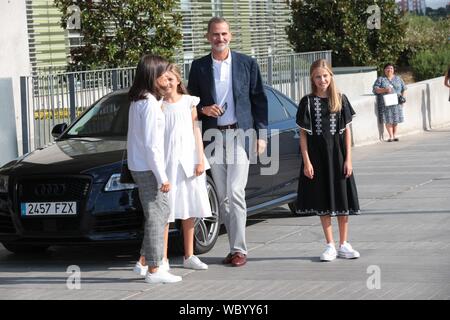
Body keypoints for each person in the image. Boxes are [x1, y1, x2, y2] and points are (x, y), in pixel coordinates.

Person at [187, 17, 268, 267]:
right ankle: (233, 250)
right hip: (212, 137)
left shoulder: (247, 64)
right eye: (215, 34)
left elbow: (259, 100)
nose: (219, 39)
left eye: (223, 34)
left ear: (230, 36)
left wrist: (261, 136)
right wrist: (203, 109)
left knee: (235, 192)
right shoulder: (198, 66)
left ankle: (239, 250)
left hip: (240, 135)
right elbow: (190, 102)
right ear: (207, 37)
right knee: (222, 196)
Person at [135, 63, 212, 271]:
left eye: (171, 79)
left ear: (178, 81)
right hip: (167, 163)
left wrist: (200, 158)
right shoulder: (157, 104)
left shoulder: (189, 102)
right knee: (164, 214)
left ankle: (189, 255)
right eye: (164, 79)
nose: (168, 83)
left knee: (189, 208)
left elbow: (196, 130)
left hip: (188, 161)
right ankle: (162, 258)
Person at [296, 59, 361, 262]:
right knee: (323, 199)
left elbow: (347, 133)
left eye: (325, 75)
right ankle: (330, 245)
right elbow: (303, 136)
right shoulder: (307, 102)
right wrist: (307, 161)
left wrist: (348, 159)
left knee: (342, 198)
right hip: (317, 158)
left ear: (331, 76)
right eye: (318, 76)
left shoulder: (341, 99)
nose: (322, 79)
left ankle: (344, 244)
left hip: (339, 156)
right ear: (312, 79)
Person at [127, 54, 181, 283]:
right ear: (152, 76)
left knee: (156, 215)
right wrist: (163, 177)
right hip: (149, 169)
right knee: (158, 216)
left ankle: (144, 263)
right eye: (162, 75)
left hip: (141, 166)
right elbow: (152, 146)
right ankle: (154, 269)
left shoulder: (141, 100)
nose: (167, 80)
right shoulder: (148, 104)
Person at [372, 63, 407, 142]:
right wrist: (384, 90)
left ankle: (395, 135)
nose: (389, 70)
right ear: (384, 70)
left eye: (391, 68)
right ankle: (390, 136)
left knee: (395, 119)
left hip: (397, 102)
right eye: (387, 68)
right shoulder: (380, 79)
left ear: (393, 70)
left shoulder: (398, 78)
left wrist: (403, 98)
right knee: (388, 119)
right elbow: (375, 89)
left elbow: (404, 88)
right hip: (385, 103)